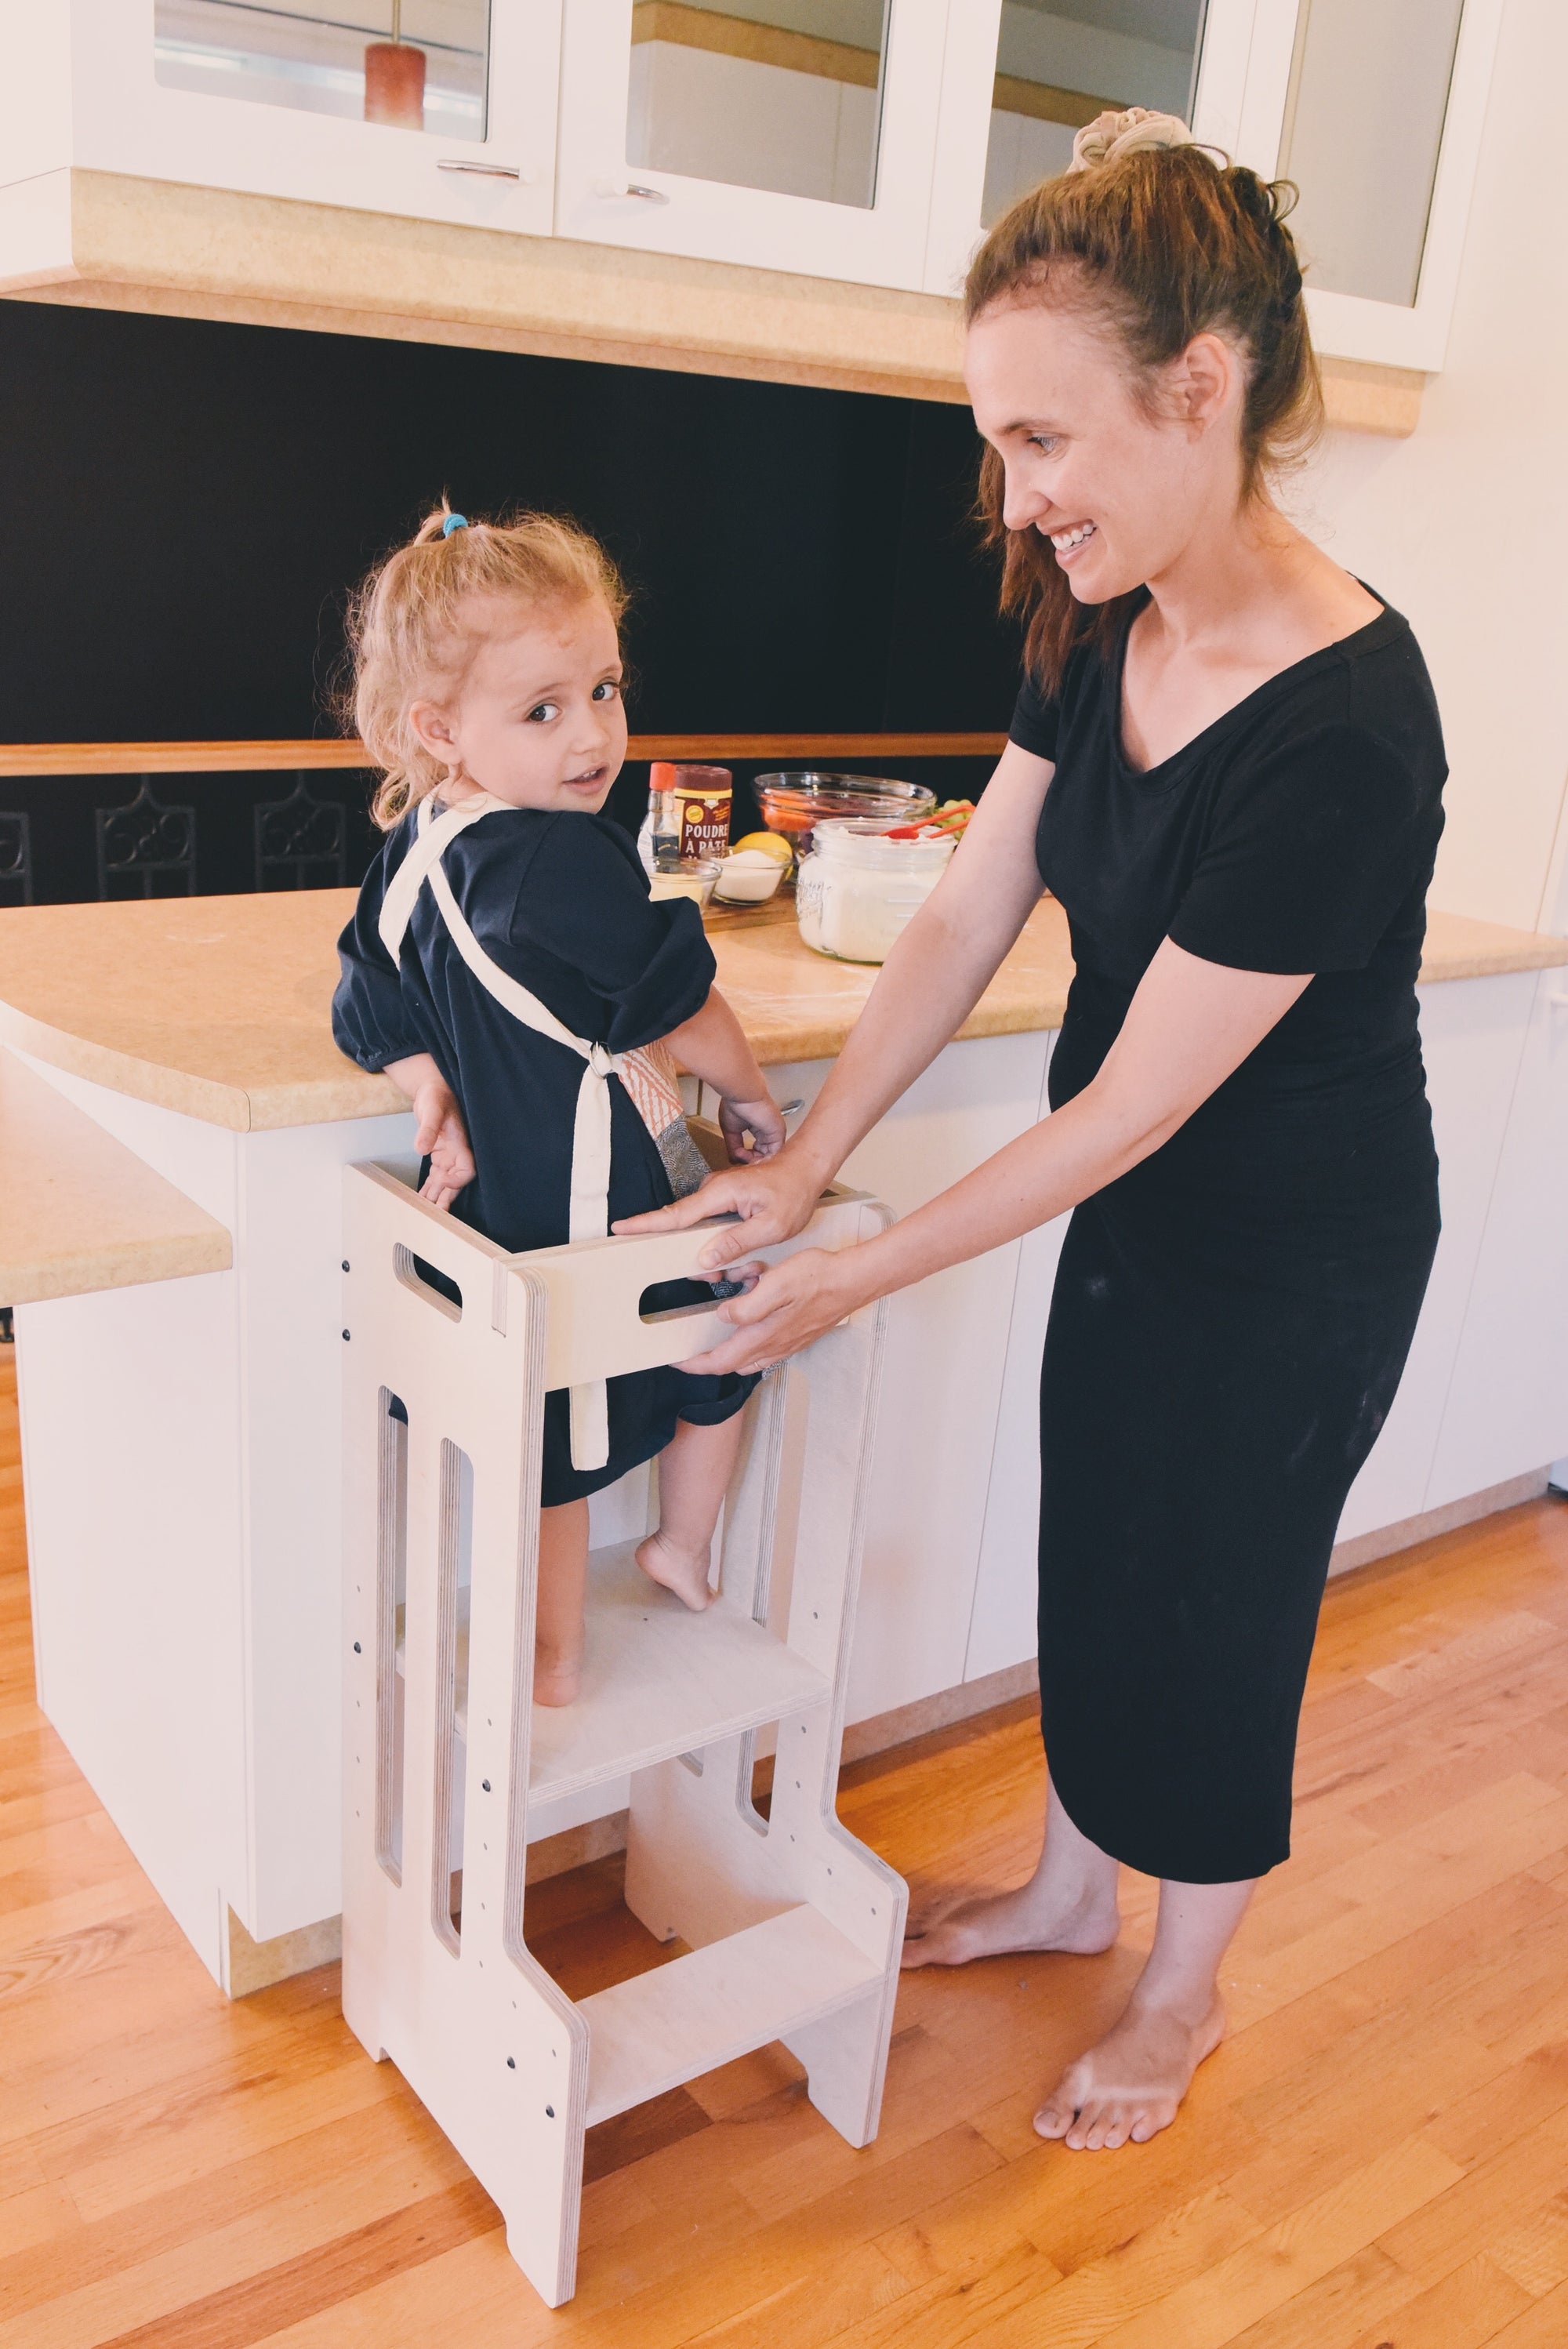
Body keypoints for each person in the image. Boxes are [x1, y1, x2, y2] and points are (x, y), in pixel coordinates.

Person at [618, 111, 1446, 2152]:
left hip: (1297, 1242)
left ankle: (1183, 1984)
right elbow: (978, 906)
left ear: (1203, 387)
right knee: (1100, 1538)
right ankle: (1077, 1886)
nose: (1019, 493)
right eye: (999, 440)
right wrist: (810, 1161)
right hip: (1141, 1211)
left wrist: (847, 1270)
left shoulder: (1346, 723)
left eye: (1046, 441)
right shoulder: (1102, 609)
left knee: (1217, 1597)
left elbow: (1147, 1096)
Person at [332, 506, 782, 1705]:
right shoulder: (553, 858)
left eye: (604, 688)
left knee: (568, 1436)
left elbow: (363, 980)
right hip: (604, 1199)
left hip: (513, 1203)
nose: (592, 734)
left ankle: (569, 1640)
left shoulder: (424, 837)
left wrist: (426, 1082)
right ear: (440, 727)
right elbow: (680, 1007)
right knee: (724, 1334)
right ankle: (648, 1576)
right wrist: (749, 1096)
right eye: (543, 710)